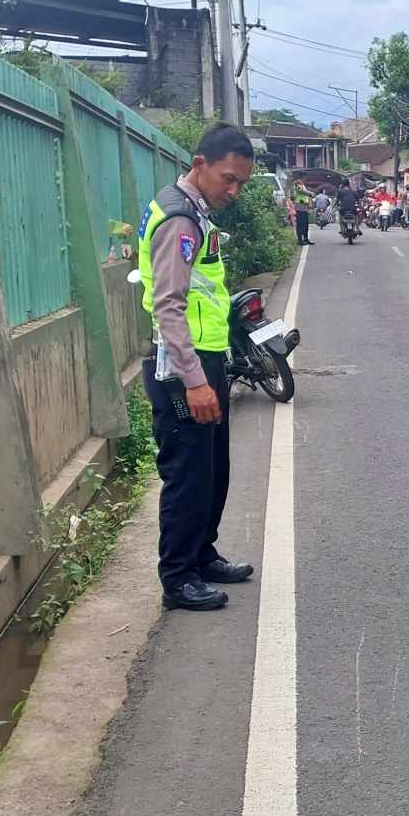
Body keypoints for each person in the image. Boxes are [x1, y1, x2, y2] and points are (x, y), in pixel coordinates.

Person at [137, 124, 257, 612]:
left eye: (241, 183)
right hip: (181, 369)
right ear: (199, 163)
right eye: (228, 178)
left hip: (206, 358)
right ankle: (178, 577)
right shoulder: (180, 220)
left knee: (213, 470)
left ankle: (201, 554)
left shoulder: (197, 212)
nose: (233, 190)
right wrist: (195, 382)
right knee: (188, 476)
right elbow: (169, 307)